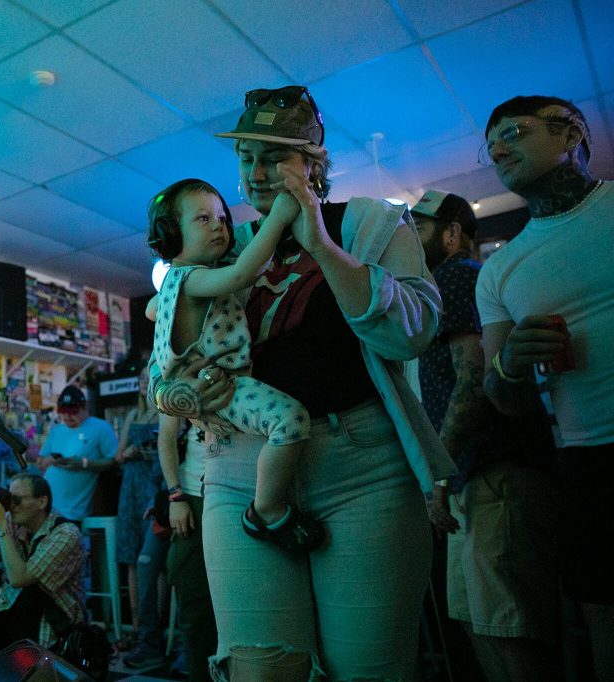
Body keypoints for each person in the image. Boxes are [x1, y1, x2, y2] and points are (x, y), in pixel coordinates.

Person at [150, 85, 455, 681]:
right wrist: (183, 395)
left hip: (361, 469)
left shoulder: (367, 222)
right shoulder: (224, 244)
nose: (256, 172)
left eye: (275, 155)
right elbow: (168, 362)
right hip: (238, 469)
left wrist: (319, 242)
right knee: (262, 670)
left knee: (365, 669)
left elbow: (412, 334)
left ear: (314, 163)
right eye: (245, 157)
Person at [475, 95, 613, 680]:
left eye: (515, 132)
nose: (499, 149)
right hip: (588, 462)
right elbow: (500, 395)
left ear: (570, 133)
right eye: (491, 145)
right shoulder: (501, 269)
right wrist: (510, 364)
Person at [412, 190, 559, 680]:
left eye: (421, 226)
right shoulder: (448, 283)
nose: (409, 237)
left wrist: (437, 472)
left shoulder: (456, 277)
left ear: (452, 233)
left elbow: (471, 383)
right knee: (480, 622)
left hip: (494, 472)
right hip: (472, 476)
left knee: (506, 627)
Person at [148, 177, 321, 550]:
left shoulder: (175, 285)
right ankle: (266, 509)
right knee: (292, 421)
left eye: (223, 218)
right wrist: (278, 218)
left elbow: (152, 309)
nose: (219, 226)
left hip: (209, 389)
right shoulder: (191, 278)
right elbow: (244, 273)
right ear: (170, 235)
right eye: (203, 219)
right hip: (224, 388)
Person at [0, 473, 85, 662]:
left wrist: (2, 526)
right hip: (15, 610)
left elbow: (20, 579)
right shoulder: (12, 522)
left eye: (17, 500)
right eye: (10, 498)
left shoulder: (66, 534)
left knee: (22, 600)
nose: (12, 505)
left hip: (51, 624)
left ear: (42, 502)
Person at [157, 421, 217, 682]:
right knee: (195, 604)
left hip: (247, 489)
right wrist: (176, 496)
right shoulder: (175, 381)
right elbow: (167, 435)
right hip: (195, 496)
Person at [113, 367, 162, 653]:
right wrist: (129, 453)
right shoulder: (133, 415)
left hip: (153, 485)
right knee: (131, 556)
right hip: (130, 487)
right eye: (142, 379)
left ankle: (156, 625)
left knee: (152, 559)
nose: (145, 382)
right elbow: (118, 456)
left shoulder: (165, 412)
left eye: (148, 377)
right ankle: (136, 626)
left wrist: (142, 453)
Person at [37, 386, 117, 523]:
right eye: (63, 412)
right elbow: (40, 462)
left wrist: (83, 464)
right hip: (47, 506)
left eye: (73, 412)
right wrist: (51, 460)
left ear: (84, 407)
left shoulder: (101, 428)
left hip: (73, 511)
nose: (67, 416)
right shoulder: (56, 430)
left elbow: (113, 461)